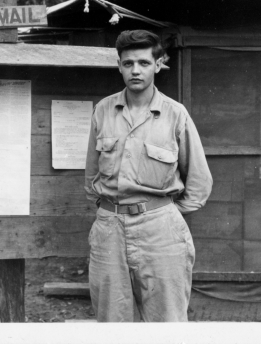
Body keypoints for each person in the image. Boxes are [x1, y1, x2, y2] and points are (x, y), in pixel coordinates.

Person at [84, 30, 212, 322]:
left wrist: (163, 215)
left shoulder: (175, 114)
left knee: (166, 323)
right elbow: (91, 178)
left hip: (161, 231)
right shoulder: (103, 110)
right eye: (128, 63)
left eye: (143, 62)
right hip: (109, 229)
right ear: (119, 66)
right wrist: (112, 212)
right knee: (112, 322)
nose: (135, 70)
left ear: (158, 64)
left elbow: (199, 183)